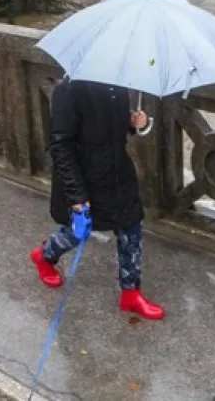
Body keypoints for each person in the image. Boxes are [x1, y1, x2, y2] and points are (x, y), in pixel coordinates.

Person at [29, 78, 164, 320]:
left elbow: (112, 129)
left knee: (131, 228)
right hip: (87, 179)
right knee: (77, 232)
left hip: (119, 174)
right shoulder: (69, 89)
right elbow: (61, 147)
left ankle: (131, 292)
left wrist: (133, 123)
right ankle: (45, 255)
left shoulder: (116, 83)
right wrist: (77, 196)